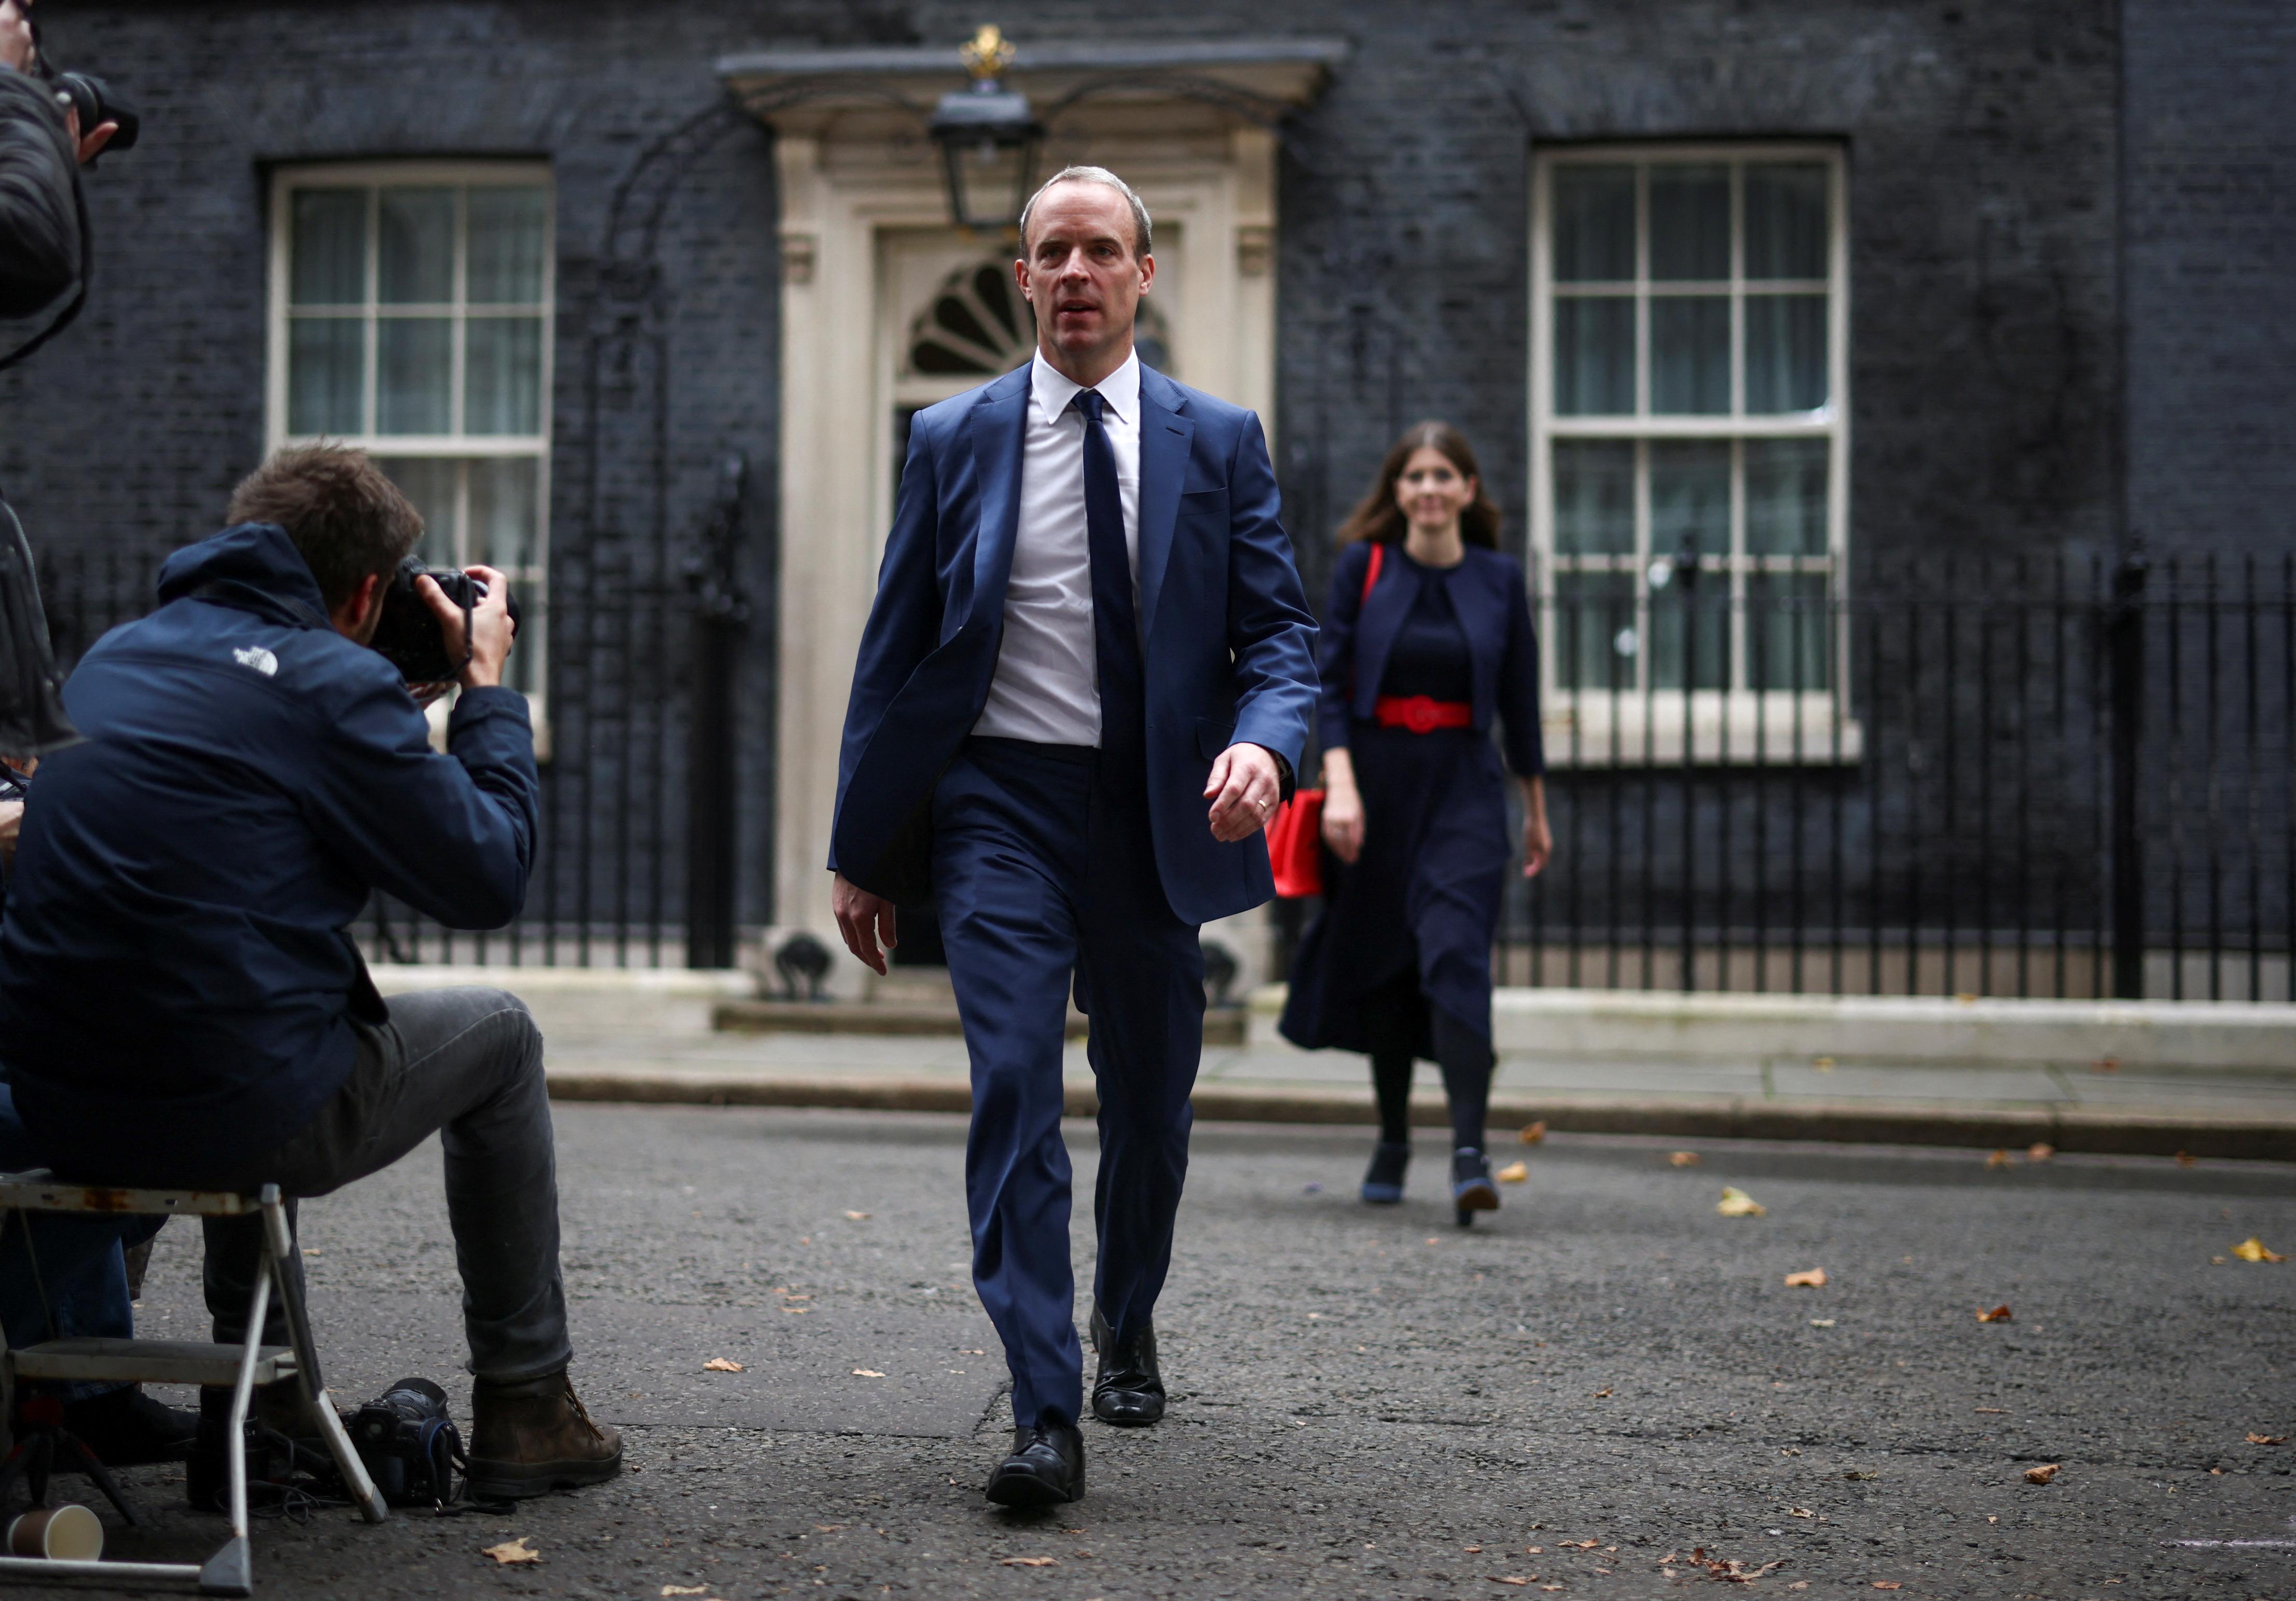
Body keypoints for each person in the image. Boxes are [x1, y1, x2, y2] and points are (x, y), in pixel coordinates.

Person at [0, 444, 620, 1503]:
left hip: (59, 1106)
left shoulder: (115, 661)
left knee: (248, 1003)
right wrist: (482, 690)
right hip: (235, 1113)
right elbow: (485, 877)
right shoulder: (332, 688)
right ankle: (525, 1406)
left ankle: (264, 1414)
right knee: (499, 1034)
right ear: (371, 588)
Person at [829, 165, 1317, 1507]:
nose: (1080, 272)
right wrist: (861, 846)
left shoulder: (1216, 440)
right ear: (1024, 278)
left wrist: (1262, 745)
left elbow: (1277, 634)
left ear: (1143, 275)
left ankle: (1129, 1312)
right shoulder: (953, 438)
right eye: (1056, 251)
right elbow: (896, 652)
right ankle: (1044, 1406)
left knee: (1151, 1104)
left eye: (1104, 249)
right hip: (999, 809)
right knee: (1015, 1088)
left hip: (1154, 808)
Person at [1278, 422, 1551, 1225]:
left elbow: (1521, 705)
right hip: (1375, 789)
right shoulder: (1365, 568)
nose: (1429, 490)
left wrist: (1534, 811)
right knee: (1389, 969)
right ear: (1396, 493)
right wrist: (1341, 786)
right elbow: (1328, 686)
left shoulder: (1500, 580)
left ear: (1468, 490)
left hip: (1464, 788)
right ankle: (1393, 1137)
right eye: (1414, 477)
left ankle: (1468, 1151)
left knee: (1455, 956)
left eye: (1444, 476)